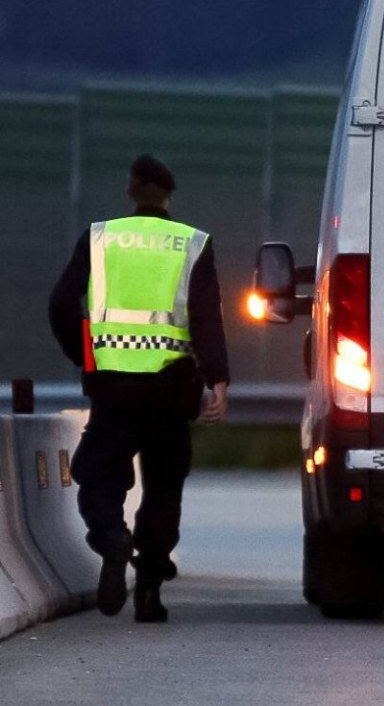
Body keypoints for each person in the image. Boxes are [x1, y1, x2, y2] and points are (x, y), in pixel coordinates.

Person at [49, 154, 230, 623]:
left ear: (132, 190)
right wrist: (218, 381)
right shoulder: (191, 244)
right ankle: (149, 591)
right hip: (173, 389)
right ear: (169, 195)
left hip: (114, 387)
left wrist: (87, 356)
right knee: (164, 489)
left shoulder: (100, 237)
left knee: (98, 474)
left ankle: (112, 538)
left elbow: (62, 304)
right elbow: (208, 320)